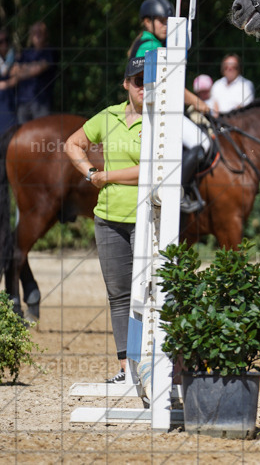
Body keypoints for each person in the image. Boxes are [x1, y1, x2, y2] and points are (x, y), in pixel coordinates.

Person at [64, 56, 146, 384]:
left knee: (152, 291)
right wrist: (90, 173)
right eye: (136, 80)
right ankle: (127, 367)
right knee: (118, 295)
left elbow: (152, 168)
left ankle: (162, 365)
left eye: (147, 80)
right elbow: (72, 144)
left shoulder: (160, 119)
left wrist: (106, 175)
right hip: (108, 219)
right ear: (126, 84)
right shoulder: (108, 116)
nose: (142, 86)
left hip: (146, 218)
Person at [129, 0, 211, 213]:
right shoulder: (152, 45)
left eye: (168, 21)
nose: (166, 26)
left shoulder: (143, 42)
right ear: (147, 22)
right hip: (157, 111)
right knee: (203, 142)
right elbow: (166, 83)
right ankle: (177, 194)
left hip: (151, 107)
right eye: (161, 21)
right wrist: (200, 103)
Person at [12, 21, 57, 124]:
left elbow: (38, 69)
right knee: (23, 138)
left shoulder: (50, 51)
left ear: (46, 34)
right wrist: (31, 68)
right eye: (34, 32)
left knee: (42, 137)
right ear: (31, 35)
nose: (37, 35)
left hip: (41, 103)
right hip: (22, 102)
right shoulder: (25, 52)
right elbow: (14, 70)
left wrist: (22, 70)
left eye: (40, 32)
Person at [0, 29, 16, 134]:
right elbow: (5, 72)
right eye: (0, 42)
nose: (4, 44)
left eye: (7, 40)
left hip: (12, 106)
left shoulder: (14, 57)